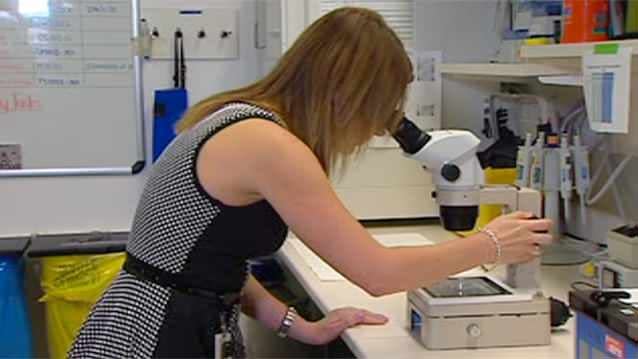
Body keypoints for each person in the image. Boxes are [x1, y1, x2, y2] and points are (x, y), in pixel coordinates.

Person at [69, 7, 552, 358]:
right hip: (150, 336)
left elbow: (212, 264)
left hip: (167, 319)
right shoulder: (268, 144)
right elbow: (377, 274)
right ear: (347, 94)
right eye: (379, 108)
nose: (377, 127)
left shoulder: (240, 117)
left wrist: (302, 327)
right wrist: (491, 243)